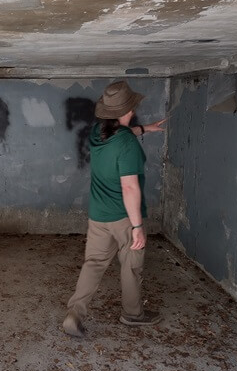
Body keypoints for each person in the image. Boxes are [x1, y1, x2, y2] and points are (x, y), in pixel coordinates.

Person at [63, 80, 166, 337]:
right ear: (126, 110)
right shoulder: (127, 144)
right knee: (131, 266)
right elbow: (130, 188)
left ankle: (74, 314)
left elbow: (120, 133)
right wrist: (138, 227)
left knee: (94, 264)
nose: (133, 110)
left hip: (98, 216)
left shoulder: (98, 132)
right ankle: (133, 315)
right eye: (131, 107)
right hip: (124, 217)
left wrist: (145, 129)